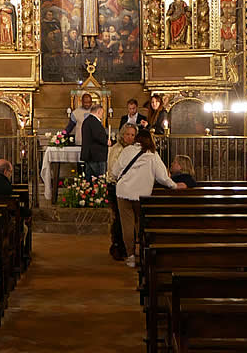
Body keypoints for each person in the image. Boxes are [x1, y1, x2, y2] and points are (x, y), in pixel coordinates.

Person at [115, 129, 186, 266]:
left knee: (127, 225)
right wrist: (175, 186)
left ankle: (130, 256)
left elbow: (115, 170)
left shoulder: (127, 150)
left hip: (123, 192)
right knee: (141, 225)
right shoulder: (153, 155)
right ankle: (142, 253)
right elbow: (163, 177)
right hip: (142, 195)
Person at [106, 121, 138, 261]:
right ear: (122, 135)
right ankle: (118, 246)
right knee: (119, 218)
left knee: (129, 220)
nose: (130, 137)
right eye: (127, 134)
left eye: (132, 135)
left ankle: (128, 247)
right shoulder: (117, 149)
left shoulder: (136, 149)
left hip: (132, 188)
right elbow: (113, 169)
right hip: (116, 187)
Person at [80, 101, 109, 179]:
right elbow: (98, 136)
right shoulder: (94, 121)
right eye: (102, 113)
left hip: (89, 155)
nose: (103, 115)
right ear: (98, 111)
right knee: (99, 180)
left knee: (89, 180)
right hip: (97, 156)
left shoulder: (87, 121)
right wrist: (107, 141)